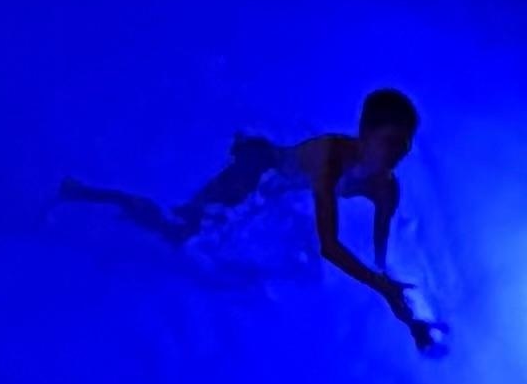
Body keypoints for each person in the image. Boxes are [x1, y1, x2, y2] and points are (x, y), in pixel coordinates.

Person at [60, 89, 446, 354]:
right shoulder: (331, 156)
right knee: (179, 231)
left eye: (406, 143)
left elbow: (383, 265)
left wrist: (411, 320)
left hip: (275, 190)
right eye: (391, 141)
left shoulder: (385, 188)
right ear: (365, 135)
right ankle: (83, 194)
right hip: (257, 170)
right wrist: (381, 286)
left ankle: (86, 196)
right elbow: (329, 245)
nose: (400, 152)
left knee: (210, 246)